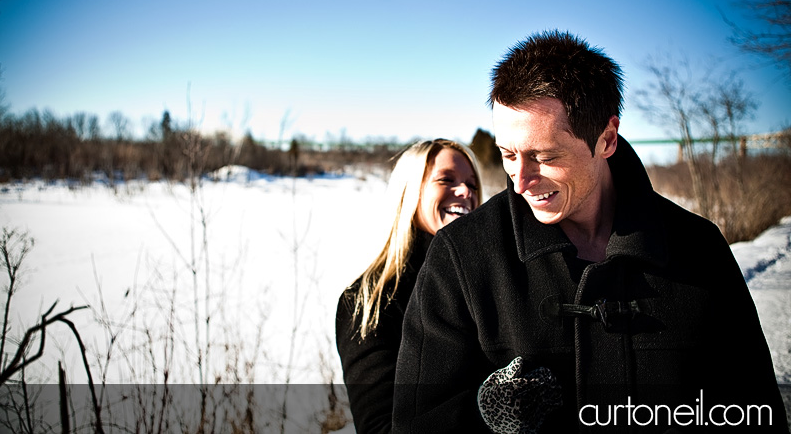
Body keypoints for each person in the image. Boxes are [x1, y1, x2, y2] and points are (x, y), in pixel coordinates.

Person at [393, 31, 788, 433]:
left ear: (606, 139)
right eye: (508, 154)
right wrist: (486, 415)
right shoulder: (462, 256)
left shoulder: (697, 248)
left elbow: (754, 410)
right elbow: (418, 421)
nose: (521, 179)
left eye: (544, 157)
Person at [336, 139, 483, 434]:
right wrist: (486, 413)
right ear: (409, 193)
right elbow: (381, 426)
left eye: (472, 184)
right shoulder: (369, 299)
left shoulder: (486, 280)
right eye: (446, 180)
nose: (466, 191)